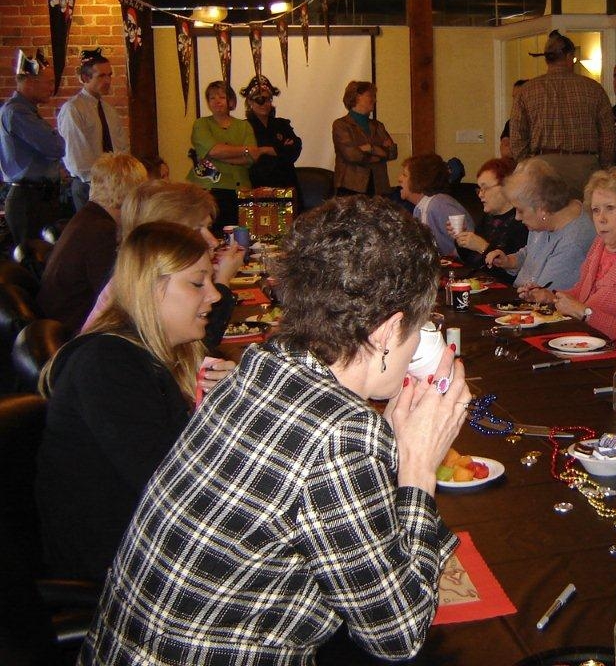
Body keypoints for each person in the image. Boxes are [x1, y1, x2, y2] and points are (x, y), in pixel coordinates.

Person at [80, 197, 470, 664]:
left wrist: (388, 446)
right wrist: (419, 469)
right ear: (388, 332)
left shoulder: (261, 368)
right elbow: (399, 635)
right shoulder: (339, 436)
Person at [35, 221, 234, 583]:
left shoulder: (159, 356)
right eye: (196, 283)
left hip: (151, 541)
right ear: (152, 288)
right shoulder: (107, 366)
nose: (215, 295)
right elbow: (172, 487)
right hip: (118, 566)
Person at [82, 180, 245, 346]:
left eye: (208, 227)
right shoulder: (134, 292)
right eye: (196, 231)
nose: (213, 241)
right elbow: (204, 344)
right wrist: (222, 281)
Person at [527, 169, 616, 345]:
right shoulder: (600, 244)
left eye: (610, 208)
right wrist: (549, 297)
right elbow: (581, 292)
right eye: (596, 210)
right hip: (584, 341)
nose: (601, 218)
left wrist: (586, 314)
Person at [37, 153, 147, 334]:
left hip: (60, 321)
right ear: (131, 192)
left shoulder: (87, 218)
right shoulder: (102, 232)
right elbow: (119, 299)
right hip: (74, 331)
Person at [509, 30, 615, 197]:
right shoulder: (593, 89)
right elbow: (608, 136)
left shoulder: (527, 91)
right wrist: (602, 167)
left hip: (543, 166)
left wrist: (528, 164)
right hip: (585, 167)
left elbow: (516, 138)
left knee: (546, 218)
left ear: (546, 58)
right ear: (569, 56)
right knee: (586, 217)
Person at [486, 158, 596, 292]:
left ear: (542, 208)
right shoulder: (547, 218)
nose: (517, 217)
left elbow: (542, 296)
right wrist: (511, 261)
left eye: (520, 210)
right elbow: (533, 252)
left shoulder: (573, 243)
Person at [187, 80, 275, 227]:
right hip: (209, 188)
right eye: (212, 98)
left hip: (240, 189)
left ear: (231, 101)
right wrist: (244, 150)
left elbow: (252, 157)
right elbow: (214, 150)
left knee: (242, 235)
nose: (217, 101)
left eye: (221, 97)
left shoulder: (244, 126)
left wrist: (218, 155)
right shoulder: (201, 124)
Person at [0, 49, 65, 245]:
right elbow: (55, 147)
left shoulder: (27, 111)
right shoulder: (17, 112)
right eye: (49, 82)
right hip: (29, 201)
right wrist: (56, 137)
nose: (52, 88)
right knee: (34, 261)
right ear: (29, 82)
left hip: (38, 198)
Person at [56, 48, 130, 211]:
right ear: (85, 78)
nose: (108, 81)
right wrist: (98, 180)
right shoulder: (74, 109)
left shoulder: (109, 110)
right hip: (88, 184)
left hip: (113, 183)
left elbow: (122, 147)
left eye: (109, 75)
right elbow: (77, 154)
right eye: (101, 76)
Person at [452, 157, 527, 276]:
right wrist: (462, 240)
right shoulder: (489, 218)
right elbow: (471, 260)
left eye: (485, 188)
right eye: (479, 189)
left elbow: (510, 272)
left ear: (506, 187)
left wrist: (482, 246)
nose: (480, 194)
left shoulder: (522, 222)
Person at [400, 153, 473, 257]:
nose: (399, 179)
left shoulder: (439, 204)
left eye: (404, 175)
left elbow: (470, 245)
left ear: (420, 180)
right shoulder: (420, 209)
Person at [332, 80, 398, 196]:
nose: (375, 100)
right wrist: (381, 154)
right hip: (351, 187)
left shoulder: (378, 126)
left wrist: (370, 148)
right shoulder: (341, 125)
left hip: (378, 187)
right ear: (357, 97)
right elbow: (352, 155)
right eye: (370, 96)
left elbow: (393, 152)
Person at [241, 74, 302, 191]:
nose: (265, 104)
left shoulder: (282, 124)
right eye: (260, 100)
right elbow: (247, 157)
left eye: (268, 99)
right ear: (250, 102)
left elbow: (294, 149)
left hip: (286, 185)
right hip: (257, 188)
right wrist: (280, 150)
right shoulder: (243, 127)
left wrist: (263, 150)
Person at [499, 79, 528, 158]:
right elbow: (505, 151)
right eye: (514, 97)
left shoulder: (539, 122)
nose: (515, 101)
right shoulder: (510, 123)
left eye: (519, 97)